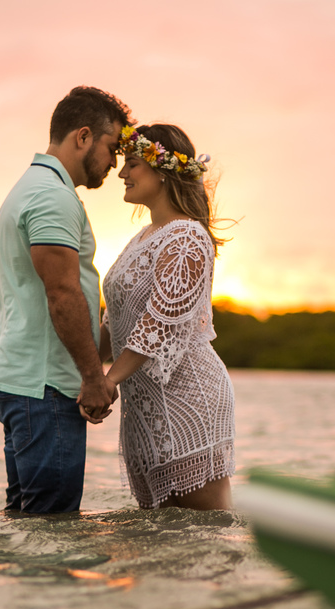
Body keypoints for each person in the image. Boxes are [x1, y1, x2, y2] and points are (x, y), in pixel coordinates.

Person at [0, 86, 132, 514]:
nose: (114, 164)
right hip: (44, 388)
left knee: (28, 524)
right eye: (111, 148)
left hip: (27, 381)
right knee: (52, 526)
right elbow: (62, 293)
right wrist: (91, 377)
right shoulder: (52, 196)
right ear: (82, 136)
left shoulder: (36, 187)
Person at [97, 123, 236, 510]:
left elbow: (159, 324)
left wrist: (108, 379)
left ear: (162, 169)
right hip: (142, 402)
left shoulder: (188, 236)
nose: (122, 174)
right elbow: (116, 321)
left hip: (187, 398)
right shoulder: (142, 236)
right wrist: (84, 367)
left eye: (133, 163)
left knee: (203, 539)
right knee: (156, 551)